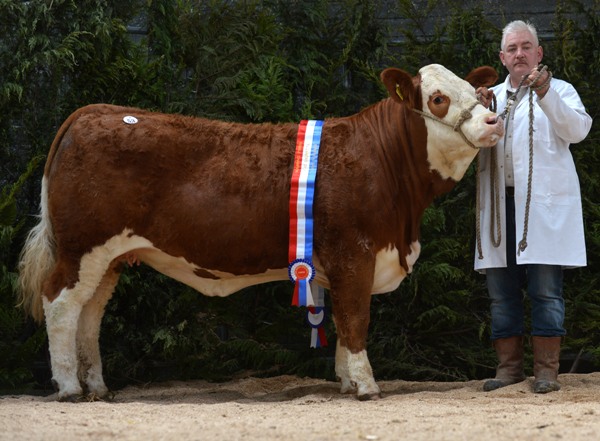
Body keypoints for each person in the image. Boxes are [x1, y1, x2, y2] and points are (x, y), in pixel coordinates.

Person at [474, 20, 592, 394]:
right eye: (512, 49)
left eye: (527, 47)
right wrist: (474, 115)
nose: (520, 53)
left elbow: (578, 131)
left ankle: (546, 372)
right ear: (502, 58)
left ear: (539, 54)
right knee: (501, 292)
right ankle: (508, 369)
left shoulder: (560, 90)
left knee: (545, 291)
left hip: (541, 209)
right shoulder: (488, 98)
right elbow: (463, 150)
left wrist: (545, 95)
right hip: (498, 207)